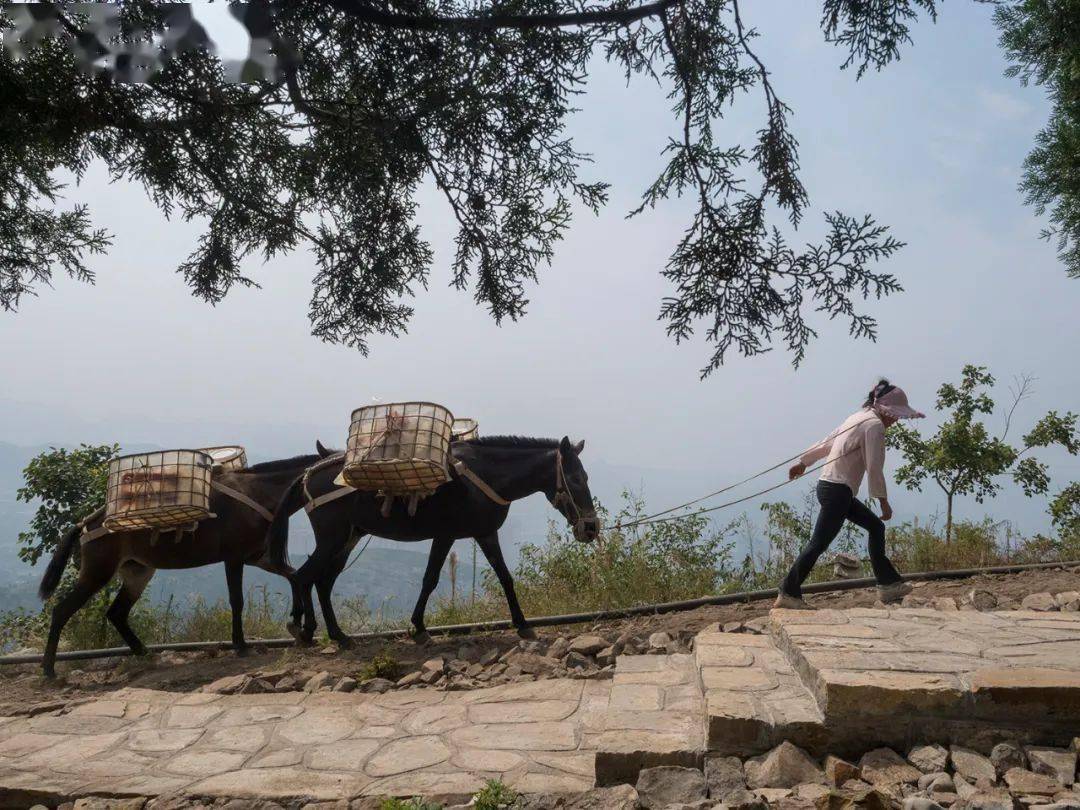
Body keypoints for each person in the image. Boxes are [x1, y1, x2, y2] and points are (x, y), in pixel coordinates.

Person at [775, 379, 926, 609]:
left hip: (830, 488)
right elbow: (874, 466)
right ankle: (788, 591)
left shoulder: (856, 417)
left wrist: (803, 462)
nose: (895, 420)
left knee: (876, 527)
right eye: (895, 415)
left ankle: (888, 584)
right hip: (838, 492)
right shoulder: (874, 425)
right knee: (818, 543)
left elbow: (827, 442)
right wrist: (883, 502)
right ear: (886, 410)